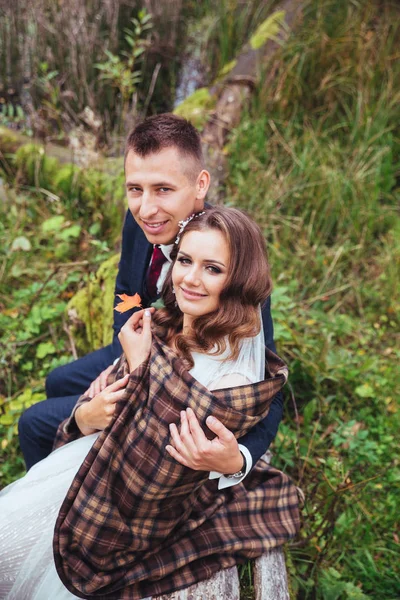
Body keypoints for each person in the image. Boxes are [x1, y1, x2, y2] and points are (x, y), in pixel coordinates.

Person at [0, 207, 300, 600]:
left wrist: (141, 365)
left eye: (212, 269)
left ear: (238, 280)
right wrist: (87, 415)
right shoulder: (169, 323)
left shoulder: (230, 380)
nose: (190, 278)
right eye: (185, 261)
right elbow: (109, 383)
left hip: (128, 503)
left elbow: (153, 468)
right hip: (91, 462)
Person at [18, 113, 283, 492]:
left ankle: (64, 487)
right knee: (56, 380)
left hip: (180, 386)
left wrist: (240, 458)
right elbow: (127, 290)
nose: (146, 209)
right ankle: (71, 465)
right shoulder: (140, 221)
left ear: (200, 185)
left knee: (34, 422)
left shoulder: (231, 255)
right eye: (135, 189)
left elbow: (271, 386)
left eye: (163, 189)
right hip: (141, 346)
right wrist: (121, 359)